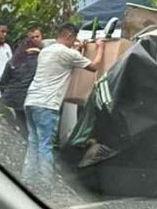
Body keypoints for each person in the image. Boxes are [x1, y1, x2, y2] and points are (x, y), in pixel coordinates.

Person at [23, 24, 105, 188]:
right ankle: (46, 185)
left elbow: (66, 63)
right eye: (73, 38)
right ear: (68, 36)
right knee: (46, 146)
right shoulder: (67, 53)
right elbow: (94, 66)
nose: (74, 42)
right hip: (47, 104)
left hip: (31, 101)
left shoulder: (46, 51)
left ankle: (27, 180)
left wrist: (77, 49)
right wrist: (100, 47)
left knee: (33, 143)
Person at [0, 36, 43, 135]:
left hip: (8, 101)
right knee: (26, 133)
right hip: (27, 103)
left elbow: (2, 82)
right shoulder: (41, 62)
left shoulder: (13, 61)